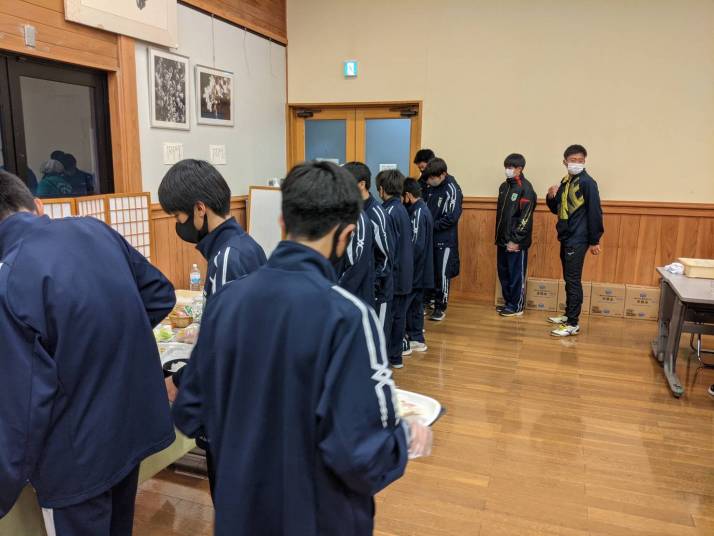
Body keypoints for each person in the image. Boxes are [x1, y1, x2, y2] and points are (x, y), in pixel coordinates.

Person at [172, 161, 432, 536]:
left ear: (282, 224)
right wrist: (405, 438)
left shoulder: (225, 302)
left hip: (238, 515)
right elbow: (361, 457)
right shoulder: (349, 316)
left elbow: (190, 412)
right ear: (346, 235)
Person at [0, 171, 176, 535]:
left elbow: (22, 405)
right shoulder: (95, 230)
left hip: (76, 455)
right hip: (129, 426)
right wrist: (111, 337)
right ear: (38, 206)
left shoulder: (10, 278)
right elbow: (159, 294)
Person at [158, 159, 267, 497]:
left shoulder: (226, 258)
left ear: (200, 209)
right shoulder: (245, 245)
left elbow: (223, 348)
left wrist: (179, 381)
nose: (178, 225)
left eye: (178, 216)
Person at [545, 144, 604, 337]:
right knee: (569, 278)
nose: (576, 163)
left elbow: (595, 212)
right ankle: (567, 315)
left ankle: (572, 323)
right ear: (565, 162)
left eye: (580, 160)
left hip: (578, 238)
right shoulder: (566, 181)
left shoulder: (588, 183)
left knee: (573, 279)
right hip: (566, 235)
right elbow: (558, 208)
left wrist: (595, 240)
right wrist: (550, 196)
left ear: (585, 161)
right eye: (573, 160)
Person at [344, 161, 395, 323]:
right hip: (358, 290)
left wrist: (373, 284)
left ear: (361, 184)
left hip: (377, 292)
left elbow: (386, 257)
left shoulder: (377, 214)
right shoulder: (350, 210)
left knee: (377, 335)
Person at [377, 169, 414, 369]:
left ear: (382, 189)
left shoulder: (388, 212)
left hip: (396, 273)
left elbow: (388, 249)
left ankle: (387, 358)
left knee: (389, 318)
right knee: (399, 317)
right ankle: (396, 357)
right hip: (405, 272)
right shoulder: (401, 209)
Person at [495, 153, 537, 317]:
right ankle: (508, 303)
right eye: (506, 167)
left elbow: (525, 217)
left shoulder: (526, 188)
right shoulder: (504, 187)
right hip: (502, 240)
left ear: (519, 169)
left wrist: (515, 240)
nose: (507, 170)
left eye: (511, 167)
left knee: (515, 274)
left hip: (516, 242)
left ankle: (516, 306)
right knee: (503, 273)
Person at [423, 157, 463, 321]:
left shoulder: (452, 189)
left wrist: (431, 226)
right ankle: (428, 301)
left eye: (433, 178)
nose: (430, 181)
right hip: (429, 238)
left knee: (442, 274)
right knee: (429, 271)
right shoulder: (430, 187)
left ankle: (440, 307)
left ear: (443, 174)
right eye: (429, 178)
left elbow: (452, 217)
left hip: (445, 239)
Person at [402, 178, 434, 355]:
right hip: (422, 270)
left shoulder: (418, 212)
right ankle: (416, 338)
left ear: (408, 195)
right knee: (416, 306)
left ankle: (410, 339)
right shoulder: (423, 209)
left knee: (408, 305)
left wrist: (407, 267)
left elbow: (416, 245)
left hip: (416, 270)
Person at [334, 169, 375, 305]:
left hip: (352, 295)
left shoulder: (357, 217)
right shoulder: (341, 213)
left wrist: (338, 292)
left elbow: (356, 264)